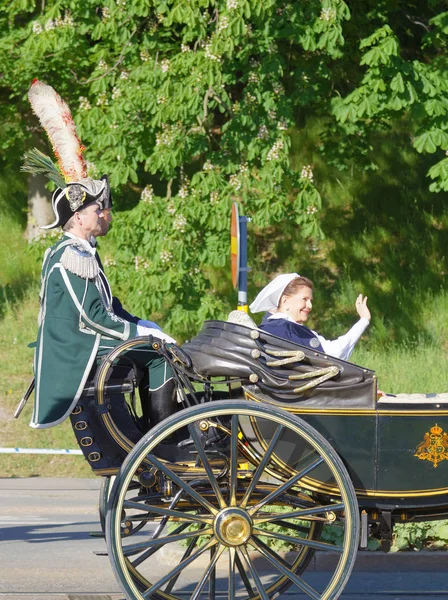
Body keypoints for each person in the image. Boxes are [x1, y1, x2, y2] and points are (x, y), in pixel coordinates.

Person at [25, 80, 176, 430]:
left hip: (89, 343)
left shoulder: (82, 251)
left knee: (158, 347)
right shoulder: (69, 256)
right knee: (161, 357)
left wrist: (142, 323)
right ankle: (165, 436)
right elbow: (93, 319)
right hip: (77, 351)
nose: (104, 215)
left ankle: (155, 430)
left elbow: (108, 305)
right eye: (98, 209)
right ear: (78, 217)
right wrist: (144, 337)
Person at [249, 273, 371, 360]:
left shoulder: (265, 328)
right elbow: (336, 353)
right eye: (305, 299)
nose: (310, 305)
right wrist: (364, 320)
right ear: (285, 301)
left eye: (310, 300)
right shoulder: (293, 330)